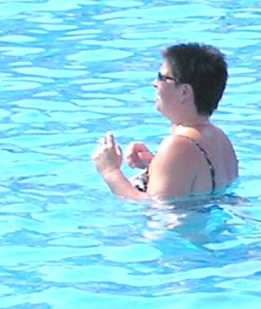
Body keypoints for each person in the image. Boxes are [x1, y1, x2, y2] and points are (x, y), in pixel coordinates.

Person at [91, 43, 239, 200]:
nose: (154, 83)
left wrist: (110, 171)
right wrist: (156, 164)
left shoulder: (177, 145)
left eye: (162, 78)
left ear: (184, 92)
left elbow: (156, 208)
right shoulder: (218, 137)